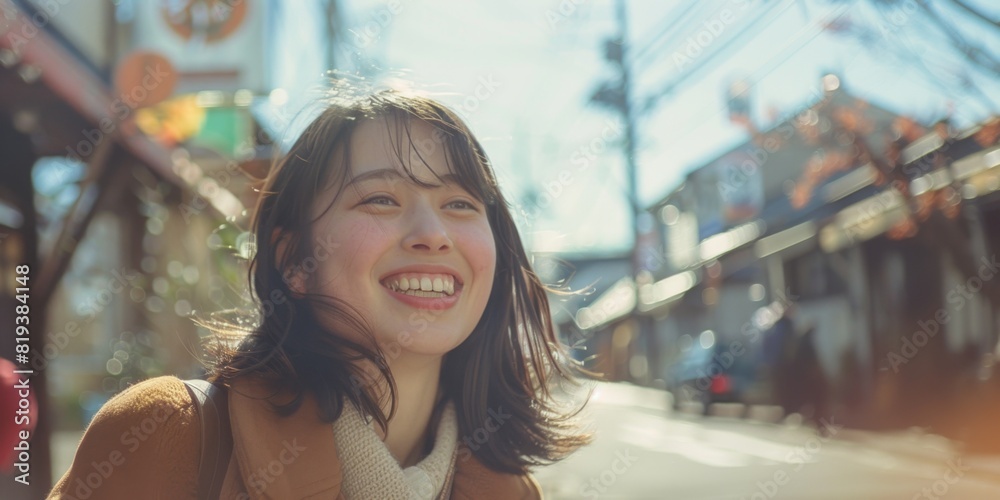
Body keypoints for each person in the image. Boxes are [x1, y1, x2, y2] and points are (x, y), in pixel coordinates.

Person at [49, 88, 590, 499]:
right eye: (380, 198)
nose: (434, 233)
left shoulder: (512, 488)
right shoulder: (170, 437)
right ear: (293, 261)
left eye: (461, 204)